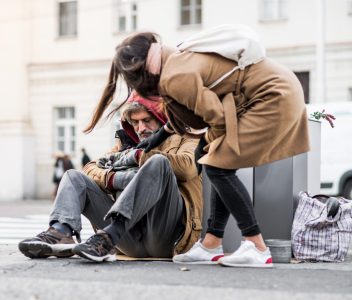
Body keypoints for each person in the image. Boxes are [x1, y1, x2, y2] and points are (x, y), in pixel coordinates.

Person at [84, 30, 310, 268]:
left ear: (141, 71)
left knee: (218, 168)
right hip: (269, 91)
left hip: (271, 97)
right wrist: (161, 134)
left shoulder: (174, 75)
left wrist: (209, 147)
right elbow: (202, 105)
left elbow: (216, 118)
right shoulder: (176, 57)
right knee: (211, 160)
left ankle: (256, 246)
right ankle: (211, 244)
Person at [18, 92, 202, 262]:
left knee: (159, 162)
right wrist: (114, 179)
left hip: (165, 235)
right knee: (74, 177)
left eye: (147, 120)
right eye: (135, 122)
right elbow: (90, 168)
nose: (141, 128)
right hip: (129, 241)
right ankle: (60, 232)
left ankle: (110, 235)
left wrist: (138, 156)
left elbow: (188, 167)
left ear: (161, 118)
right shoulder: (126, 142)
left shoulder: (185, 135)